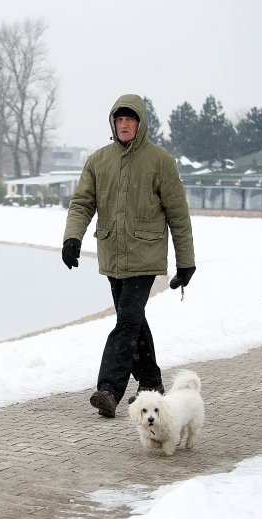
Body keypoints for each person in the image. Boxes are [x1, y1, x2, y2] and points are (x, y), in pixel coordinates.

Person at [61, 94, 196, 418]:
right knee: (133, 322)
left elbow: (178, 213)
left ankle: (109, 389)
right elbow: (82, 203)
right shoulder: (98, 161)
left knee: (126, 322)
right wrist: (71, 238)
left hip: (145, 255)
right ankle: (151, 382)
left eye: (130, 119)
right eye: (119, 120)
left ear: (140, 124)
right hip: (113, 255)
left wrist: (185, 261)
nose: (124, 124)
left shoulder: (160, 161)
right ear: (113, 123)